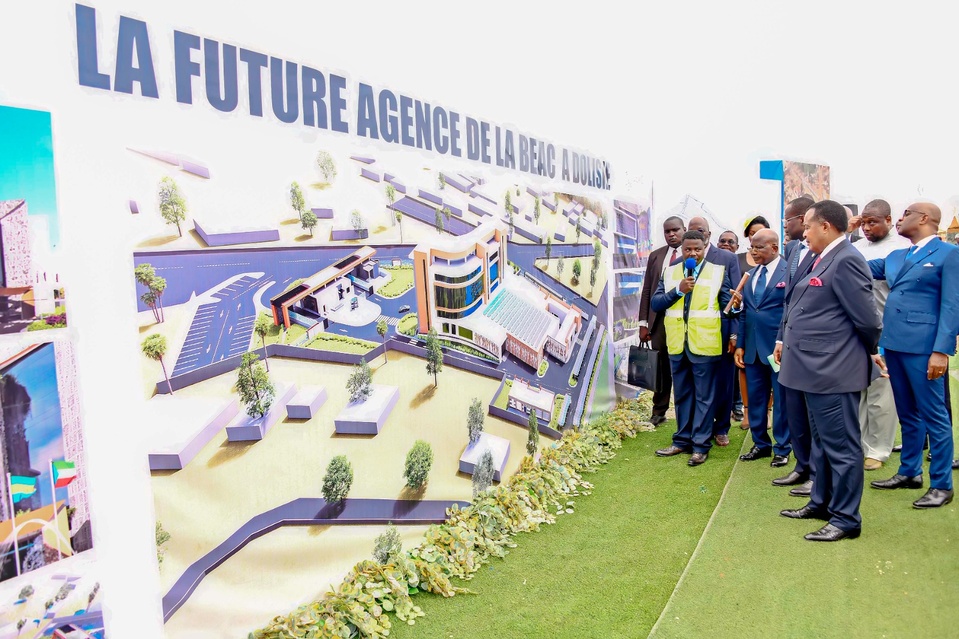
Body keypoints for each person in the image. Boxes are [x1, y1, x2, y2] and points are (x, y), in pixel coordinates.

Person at [775, 200, 882, 541]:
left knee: (842, 447)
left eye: (808, 226)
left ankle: (846, 519)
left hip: (832, 370)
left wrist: (869, 352)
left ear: (825, 226)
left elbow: (867, 320)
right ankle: (821, 502)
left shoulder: (847, 259)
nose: (803, 233)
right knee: (821, 444)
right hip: (811, 368)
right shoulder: (821, 256)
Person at [867, 202, 959, 509]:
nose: (900, 219)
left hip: (924, 348)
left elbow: (952, 304)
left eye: (906, 214)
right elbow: (855, 266)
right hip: (894, 344)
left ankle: (942, 485)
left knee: (935, 416)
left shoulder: (948, 254)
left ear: (924, 218)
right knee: (907, 413)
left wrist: (942, 351)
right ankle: (909, 472)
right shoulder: (896, 256)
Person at [652, 230, 733, 466]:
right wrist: (679, 290)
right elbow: (656, 303)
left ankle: (700, 446)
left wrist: (736, 305)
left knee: (704, 398)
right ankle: (682, 441)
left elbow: (728, 307)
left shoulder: (718, 272)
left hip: (705, 344)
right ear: (682, 249)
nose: (693, 253)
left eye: (698, 249)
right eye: (688, 249)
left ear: (705, 247)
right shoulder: (670, 272)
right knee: (682, 395)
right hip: (678, 344)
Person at [848, 199, 910, 470]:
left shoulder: (902, 247)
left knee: (881, 394)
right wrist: (847, 233)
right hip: (854, 330)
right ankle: (860, 446)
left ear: (888, 220)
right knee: (857, 391)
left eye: (872, 222)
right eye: (863, 223)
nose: (867, 228)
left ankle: (878, 449)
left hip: (885, 328)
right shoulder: (856, 246)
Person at [728, 229, 791, 466]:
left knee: (781, 400)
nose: (753, 252)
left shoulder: (789, 272)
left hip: (778, 350)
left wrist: (783, 342)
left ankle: (782, 448)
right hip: (753, 349)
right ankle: (760, 444)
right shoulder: (751, 274)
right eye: (751, 247)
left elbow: (790, 311)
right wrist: (740, 345)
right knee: (755, 399)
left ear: (774, 248)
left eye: (759, 247)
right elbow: (746, 313)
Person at [773, 197, 817, 494]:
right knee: (795, 408)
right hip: (789, 341)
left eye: (787, 220)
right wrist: (780, 337)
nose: (785, 226)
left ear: (802, 219)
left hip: (813, 345)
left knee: (815, 415)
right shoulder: (792, 249)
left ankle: (817, 473)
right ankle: (802, 466)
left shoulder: (826, 252)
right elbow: (788, 300)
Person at [683, 217, 741, 447]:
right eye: (693, 230)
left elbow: (735, 297)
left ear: (708, 234)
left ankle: (721, 428)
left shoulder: (727, 258)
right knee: (698, 387)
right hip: (692, 336)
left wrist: (734, 333)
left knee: (724, 383)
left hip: (722, 332)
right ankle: (697, 429)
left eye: (701, 230)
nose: (698, 233)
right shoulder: (682, 261)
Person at [639, 216, 686, 425]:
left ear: (684, 229)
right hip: (659, 322)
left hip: (683, 322)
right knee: (661, 368)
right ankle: (659, 411)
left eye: (675, 230)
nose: (671, 234)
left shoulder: (692, 254)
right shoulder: (656, 256)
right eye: (667, 231)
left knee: (683, 368)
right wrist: (643, 323)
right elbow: (647, 290)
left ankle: (686, 413)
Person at [717, 230, 746, 424]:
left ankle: (736, 406)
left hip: (735, 325)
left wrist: (735, 333)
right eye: (722, 241)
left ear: (737, 246)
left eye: (730, 241)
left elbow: (736, 302)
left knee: (734, 371)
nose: (726, 244)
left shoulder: (736, 263)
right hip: (714, 329)